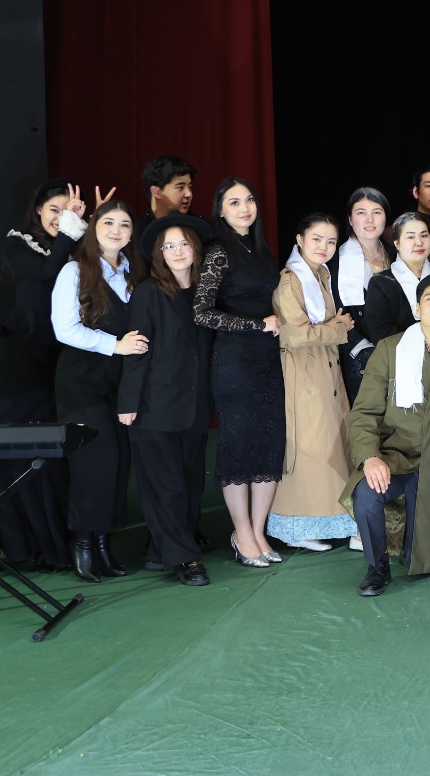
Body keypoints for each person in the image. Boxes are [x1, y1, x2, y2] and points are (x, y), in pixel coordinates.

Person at [0, 179, 83, 573]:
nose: (61, 218)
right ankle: (12, 544)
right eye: (55, 210)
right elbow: (45, 278)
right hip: (15, 363)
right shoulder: (18, 245)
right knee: (7, 451)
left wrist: (87, 228)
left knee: (45, 455)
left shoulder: (76, 245)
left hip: (55, 363)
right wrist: (71, 231)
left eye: (69, 211)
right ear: (38, 211)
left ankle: (48, 545)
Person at [343, 273, 430, 597]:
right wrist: (370, 457)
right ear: (417, 308)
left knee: (421, 556)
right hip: (397, 457)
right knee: (366, 493)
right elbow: (364, 412)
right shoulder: (390, 349)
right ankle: (377, 567)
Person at [50, 199, 148, 583]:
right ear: (94, 227)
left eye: (124, 224)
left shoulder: (133, 273)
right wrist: (115, 345)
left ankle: (104, 544)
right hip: (81, 382)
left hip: (119, 383)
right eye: (108, 223)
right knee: (94, 464)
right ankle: (83, 544)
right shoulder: (74, 270)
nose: (116, 230)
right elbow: (64, 328)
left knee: (119, 464)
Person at [116, 212, 215, 586]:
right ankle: (184, 559)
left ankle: (163, 550)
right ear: (159, 253)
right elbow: (137, 349)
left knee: (190, 482)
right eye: (168, 246)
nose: (177, 251)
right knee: (165, 485)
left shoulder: (205, 292)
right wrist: (128, 402)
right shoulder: (149, 292)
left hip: (195, 407)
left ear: (195, 248)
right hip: (154, 406)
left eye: (183, 243)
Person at [193, 176, 285, 570]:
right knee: (239, 446)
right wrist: (257, 325)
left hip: (269, 360)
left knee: (269, 444)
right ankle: (241, 532)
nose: (245, 208)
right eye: (234, 202)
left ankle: (258, 531)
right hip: (234, 361)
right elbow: (201, 312)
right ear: (220, 209)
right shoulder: (218, 251)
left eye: (249, 200)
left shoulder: (262, 250)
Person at [267, 213, 358, 553]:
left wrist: (334, 327)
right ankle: (295, 526)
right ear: (300, 240)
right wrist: (340, 328)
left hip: (324, 368)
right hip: (303, 372)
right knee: (308, 448)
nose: (324, 246)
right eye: (317, 239)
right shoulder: (291, 280)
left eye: (331, 241)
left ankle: (330, 522)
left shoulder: (321, 274)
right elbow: (297, 334)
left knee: (330, 445)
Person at [326, 186, 396, 402]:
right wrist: (365, 349)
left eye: (377, 212)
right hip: (359, 353)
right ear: (350, 218)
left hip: (398, 346)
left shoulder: (397, 253)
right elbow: (338, 312)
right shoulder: (335, 261)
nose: (369, 220)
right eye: (361, 213)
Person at [362, 211, 430, 345]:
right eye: (410, 237)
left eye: (424, 235)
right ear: (397, 243)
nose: (419, 242)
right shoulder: (381, 283)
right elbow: (381, 334)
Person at [137, 154, 196, 233]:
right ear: (156, 192)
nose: (189, 194)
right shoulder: (136, 230)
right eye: (180, 187)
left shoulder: (198, 226)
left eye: (190, 187)